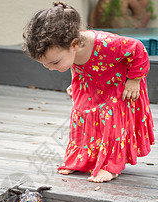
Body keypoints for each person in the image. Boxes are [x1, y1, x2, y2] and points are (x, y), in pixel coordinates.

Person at [22, 1, 155, 183]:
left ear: (74, 44)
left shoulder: (107, 44)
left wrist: (134, 80)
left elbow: (138, 49)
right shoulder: (69, 50)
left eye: (54, 63)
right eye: (45, 65)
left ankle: (111, 166)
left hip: (117, 85)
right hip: (91, 83)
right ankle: (81, 159)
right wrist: (73, 81)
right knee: (80, 116)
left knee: (112, 121)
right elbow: (73, 63)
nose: (51, 69)